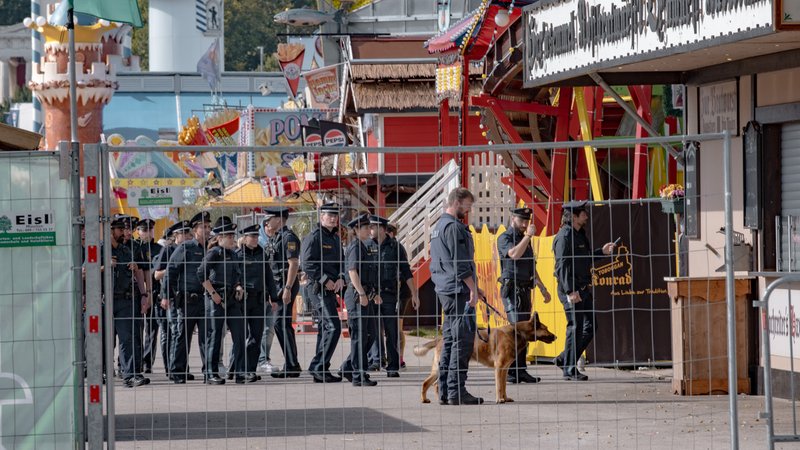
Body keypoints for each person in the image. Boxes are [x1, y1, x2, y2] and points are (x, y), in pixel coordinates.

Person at [430, 188, 484, 405]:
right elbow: (460, 263)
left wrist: (474, 286)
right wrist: (472, 288)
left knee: (451, 341)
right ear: (457, 202)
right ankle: (456, 391)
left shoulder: (438, 227)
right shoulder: (453, 227)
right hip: (458, 291)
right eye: (468, 205)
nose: (469, 210)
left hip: (447, 289)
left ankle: (445, 391)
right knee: (462, 342)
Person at [553, 200, 616, 381]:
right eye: (583, 214)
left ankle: (565, 358)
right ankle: (569, 370)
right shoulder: (564, 236)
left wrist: (601, 252)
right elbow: (562, 267)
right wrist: (570, 291)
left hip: (583, 288)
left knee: (590, 326)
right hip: (572, 290)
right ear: (573, 216)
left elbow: (584, 258)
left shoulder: (579, 234)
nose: (586, 217)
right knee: (575, 327)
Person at [496, 207, 552, 384]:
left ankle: (521, 370)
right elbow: (513, 254)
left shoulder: (524, 240)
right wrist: (528, 236)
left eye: (526, 221)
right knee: (516, 331)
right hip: (512, 290)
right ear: (513, 219)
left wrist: (542, 288)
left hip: (525, 289)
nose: (524, 224)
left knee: (526, 330)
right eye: (521, 221)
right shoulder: (505, 238)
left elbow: (530, 267)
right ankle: (512, 370)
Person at [368, 215, 419, 377]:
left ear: (382, 229)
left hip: (390, 294)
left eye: (373, 227)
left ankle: (393, 365)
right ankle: (376, 360)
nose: (370, 230)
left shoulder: (395, 247)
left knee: (392, 330)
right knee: (373, 329)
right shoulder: (366, 246)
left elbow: (406, 271)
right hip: (371, 294)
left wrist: (415, 294)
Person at [165, 211, 212, 384]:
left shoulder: (211, 248)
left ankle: (209, 371)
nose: (207, 230)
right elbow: (171, 271)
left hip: (206, 299)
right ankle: (177, 371)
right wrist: (166, 296)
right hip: (188, 300)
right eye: (203, 227)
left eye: (208, 227)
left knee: (207, 337)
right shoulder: (186, 248)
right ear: (194, 230)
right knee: (183, 336)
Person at [198, 216, 245, 384]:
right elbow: (201, 274)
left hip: (232, 299)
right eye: (229, 236)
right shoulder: (214, 253)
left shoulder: (233, 254)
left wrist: (239, 286)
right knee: (215, 335)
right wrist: (212, 293)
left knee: (240, 334)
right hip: (216, 298)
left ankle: (239, 371)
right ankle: (210, 373)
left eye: (233, 235)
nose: (232, 239)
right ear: (219, 238)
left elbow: (236, 276)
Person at [302, 203, 345, 383]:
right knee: (334, 327)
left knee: (325, 329)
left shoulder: (335, 238)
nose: (333, 218)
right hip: (317, 288)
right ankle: (317, 365)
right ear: (321, 217)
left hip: (332, 288)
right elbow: (307, 263)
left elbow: (342, 261)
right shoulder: (313, 237)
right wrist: (325, 279)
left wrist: (341, 277)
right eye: (329, 215)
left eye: (335, 215)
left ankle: (322, 369)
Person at [108, 215, 151, 387]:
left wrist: (144, 294)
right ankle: (102, 370)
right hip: (106, 300)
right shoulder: (99, 249)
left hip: (126, 299)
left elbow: (139, 271)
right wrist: (105, 265)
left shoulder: (127, 250)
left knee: (128, 338)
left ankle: (130, 374)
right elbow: (85, 271)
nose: (125, 232)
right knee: (105, 339)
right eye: (121, 229)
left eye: (126, 229)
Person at [338, 213, 380, 386]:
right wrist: (362, 294)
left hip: (365, 296)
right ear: (356, 229)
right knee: (360, 337)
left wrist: (372, 294)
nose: (369, 230)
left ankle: (349, 367)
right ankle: (358, 374)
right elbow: (352, 272)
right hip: (357, 297)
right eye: (365, 227)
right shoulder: (355, 246)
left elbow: (367, 274)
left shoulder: (363, 246)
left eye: (369, 227)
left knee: (370, 335)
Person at [263, 207, 303, 379]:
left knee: (281, 323)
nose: (266, 222)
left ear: (279, 220)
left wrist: (287, 288)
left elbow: (293, 264)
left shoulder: (288, 237)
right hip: (277, 286)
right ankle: (292, 363)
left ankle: (292, 364)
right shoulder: (276, 237)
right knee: (281, 323)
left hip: (285, 285)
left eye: (269, 218)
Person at [236, 223, 279, 382]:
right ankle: (237, 368)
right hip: (243, 301)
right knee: (241, 336)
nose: (255, 239)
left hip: (259, 300)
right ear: (245, 238)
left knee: (256, 335)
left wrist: (273, 298)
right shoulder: (238, 255)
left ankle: (250, 370)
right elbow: (234, 277)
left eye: (256, 236)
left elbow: (269, 277)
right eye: (252, 237)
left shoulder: (262, 254)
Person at [152, 220, 192, 379]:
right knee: (173, 332)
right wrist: (174, 267)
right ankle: (172, 368)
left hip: (186, 296)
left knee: (182, 333)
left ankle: (182, 367)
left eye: (189, 233)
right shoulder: (168, 250)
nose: (188, 236)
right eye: (185, 233)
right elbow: (157, 274)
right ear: (176, 235)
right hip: (171, 296)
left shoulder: (190, 249)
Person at [136, 219, 164, 375]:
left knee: (152, 329)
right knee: (137, 328)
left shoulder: (159, 249)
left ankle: (147, 362)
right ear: (138, 231)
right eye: (144, 230)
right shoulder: (134, 247)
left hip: (155, 291)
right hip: (139, 293)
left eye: (150, 229)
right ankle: (136, 361)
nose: (148, 232)